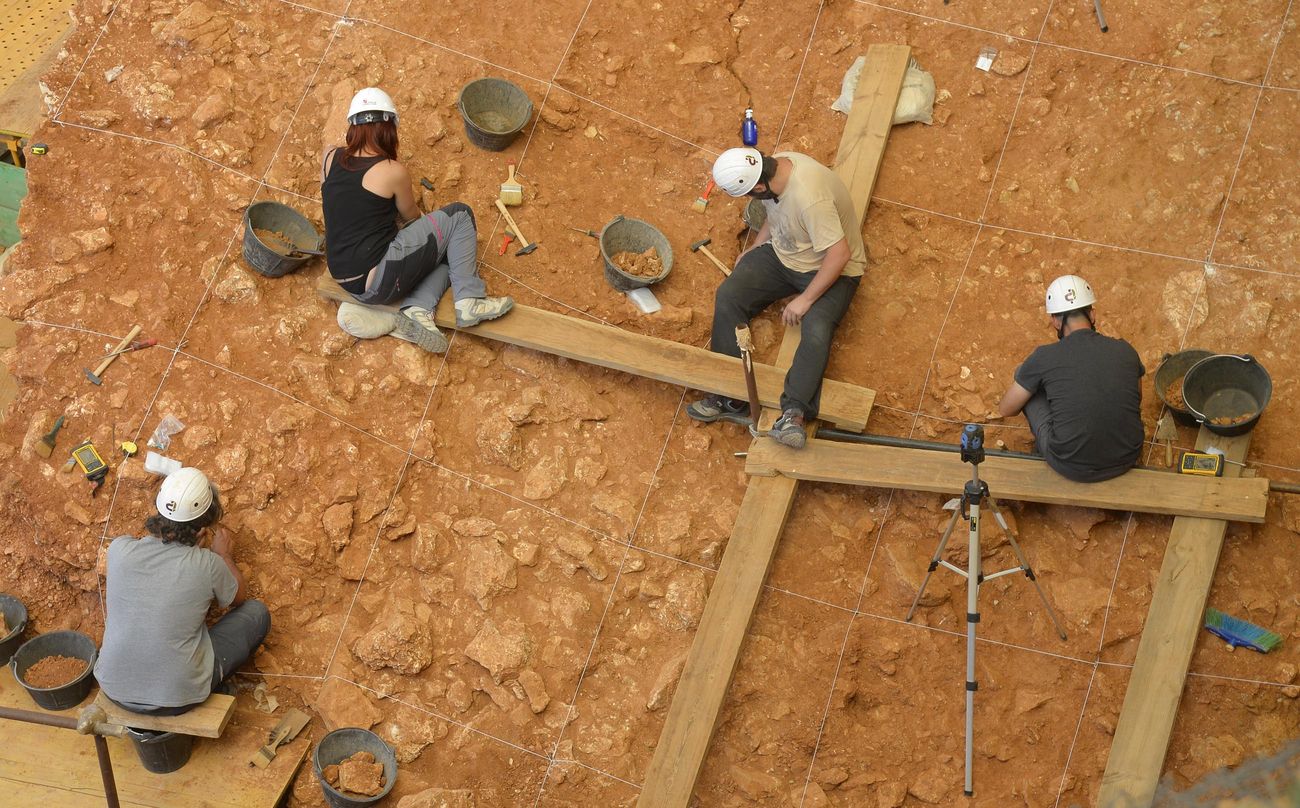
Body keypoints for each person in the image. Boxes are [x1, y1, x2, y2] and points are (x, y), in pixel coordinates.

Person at [686, 147, 868, 449]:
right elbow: (774, 210)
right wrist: (757, 247)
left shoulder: (811, 198)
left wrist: (805, 300)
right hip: (786, 255)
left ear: (759, 185)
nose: (752, 199)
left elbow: (840, 254)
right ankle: (730, 394)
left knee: (816, 329)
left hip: (834, 269)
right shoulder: (774, 168)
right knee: (730, 294)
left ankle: (794, 413)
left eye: (750, 195)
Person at [320, 87, 513, 353]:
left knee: (450, 252)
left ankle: (418, 309)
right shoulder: (391, 171)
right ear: (388, 130)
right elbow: (410, 216)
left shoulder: (329, 157)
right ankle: (470, 301)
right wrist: (434, 231)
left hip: (341, 273)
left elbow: (341, 205)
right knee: (459, 216)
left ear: (353, 126)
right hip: (376, 282)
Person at [95, 468, 270, 715]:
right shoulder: (207, 564)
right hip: (176, 698)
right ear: (202, 529)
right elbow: (239, 598)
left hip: (114, 688)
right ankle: (213, 683)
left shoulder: (119, 549)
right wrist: (223, 554)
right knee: (256, 613)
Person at [996, 275, 1145, 482]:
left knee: (1026, 375)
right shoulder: (1125, 350)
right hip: (1127, 456)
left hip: (1071, 464)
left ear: (1055, 321)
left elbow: (1006, 409)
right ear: (1092, 315)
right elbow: (1136, 399)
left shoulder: (1044, 357)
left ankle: (1046, 447)